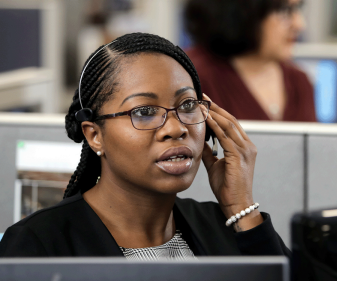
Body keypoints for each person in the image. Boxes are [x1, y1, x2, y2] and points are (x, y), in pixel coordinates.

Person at [0, 33, 289, 258]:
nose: (176, 128)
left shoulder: (225, 227)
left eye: (188, 104)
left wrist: (242, 208)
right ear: (94, 135)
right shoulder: (39, 245)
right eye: (144, 111)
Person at [184, 0, 317, 122]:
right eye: (283, 11)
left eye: (297, 9)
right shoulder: (191, 77)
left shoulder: (299, 82)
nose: (299, 24)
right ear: (242, 12)